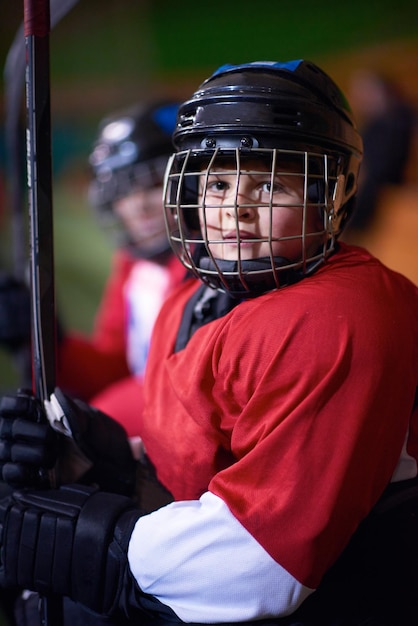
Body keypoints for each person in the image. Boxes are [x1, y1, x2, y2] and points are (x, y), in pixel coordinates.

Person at [0, 59, 417, 626]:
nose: (236, 210)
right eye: (218, 183)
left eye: (269, 184)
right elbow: (208, 464)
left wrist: (93, 543)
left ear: (329, 196)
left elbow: (259, 565)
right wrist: (106, 458)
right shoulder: (198, 293)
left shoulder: (337, 318)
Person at [344, 69, 416, 234]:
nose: (359, 99)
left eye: (365, 92)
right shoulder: (373, 126)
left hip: (393, 193)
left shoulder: (399, 119)